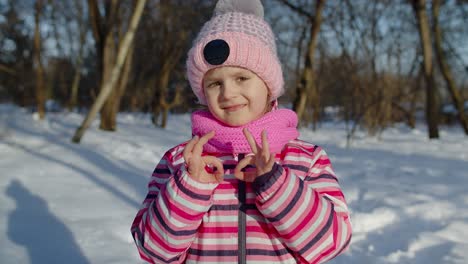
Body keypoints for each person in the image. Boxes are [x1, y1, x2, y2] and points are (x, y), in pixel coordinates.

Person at [131, 0, 352, 263]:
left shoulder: (306, 159)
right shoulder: (182, 161)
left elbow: (332, 242)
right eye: (214, 83)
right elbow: (153, 251)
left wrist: (276, 185)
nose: (228, 93)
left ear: (269, 84)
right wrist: (190, 187)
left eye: (241, 78)